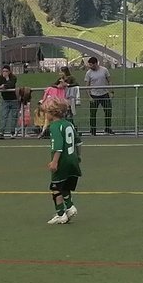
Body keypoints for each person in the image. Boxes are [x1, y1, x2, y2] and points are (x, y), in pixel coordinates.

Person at [44, 89, 81, 225]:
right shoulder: (69, 124)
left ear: (52, 113)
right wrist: (78, 156)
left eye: (46, 112)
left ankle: (60, 214)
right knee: (64, 185)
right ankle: (70, 207)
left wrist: (54, 162)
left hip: (62, 161)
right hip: (73, 159)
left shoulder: (55, 127)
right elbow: (78, 142)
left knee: (55, 188)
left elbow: (58, 147)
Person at [83, 55, 114, 135]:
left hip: (104, 94)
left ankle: (108, 129)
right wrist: (89, 97)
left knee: (108, 111)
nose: (90, 66)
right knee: (93, 113)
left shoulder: (104, 70)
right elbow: (87, 86)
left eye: (91, 65)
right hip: (94, 95)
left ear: (96, 63)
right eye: (89, 65)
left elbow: (109, 81)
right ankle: (93, 130)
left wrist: (111, 91)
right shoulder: (88, 73)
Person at [0, 63, 20, 137]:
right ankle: (1, 132)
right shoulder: (0, 78)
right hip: (5, 100)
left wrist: (7, 79)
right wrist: (0, 87)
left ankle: (12, 132)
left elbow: (11, 85)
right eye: (3, 71)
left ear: (9, 72)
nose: (4, 73)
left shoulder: (13, 77)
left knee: (14, 117)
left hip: (14, 100)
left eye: (6, 71)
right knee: (4, 116)